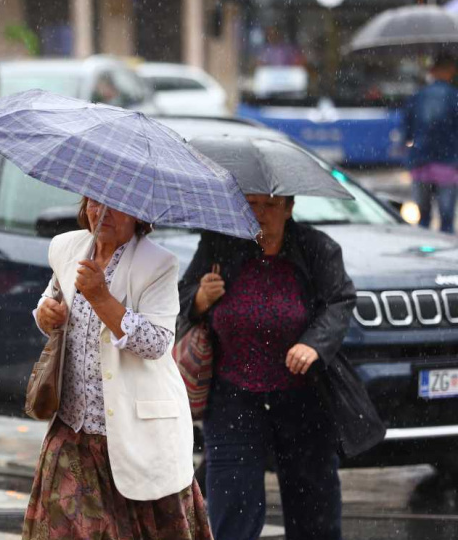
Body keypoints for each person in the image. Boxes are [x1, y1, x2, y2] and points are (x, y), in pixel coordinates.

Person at [24, 197, 212, 540]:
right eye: (95, 202)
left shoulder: (158, 264)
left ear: (139, 214)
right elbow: (50, 300)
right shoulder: (67, 248)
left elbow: (157, 342)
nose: (102, 212)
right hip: (73, 431)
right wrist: (46, 313)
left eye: (117, 205)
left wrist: (100, 297)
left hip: (134, 434)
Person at [178, 195, 356, 540]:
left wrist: (314, 344)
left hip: (305, 398)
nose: (260, 213)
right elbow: (184, 297)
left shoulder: (316, 247)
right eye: (252, 204)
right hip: (233, 399)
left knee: (313, 512)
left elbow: (340, 300)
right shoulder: (219, 242)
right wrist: (200, 298)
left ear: (289, 208)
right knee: (233, 508)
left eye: (271, 205)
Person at [403, 54, 458, 233]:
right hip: (448, 165)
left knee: (423, 219)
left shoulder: (418, 96)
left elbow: (407, 130)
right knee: (447, 219)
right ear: (450, 71)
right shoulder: (454, 96)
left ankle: (423, 255)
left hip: (420, 163)